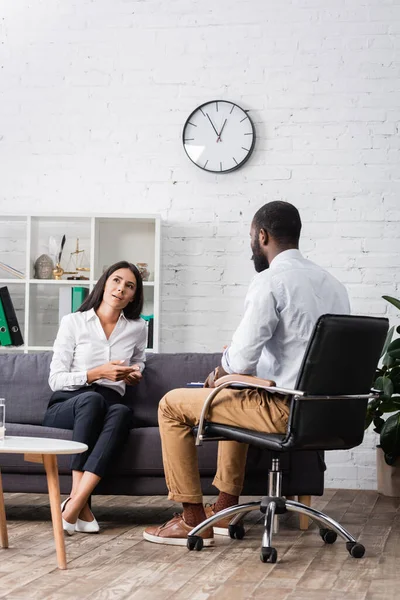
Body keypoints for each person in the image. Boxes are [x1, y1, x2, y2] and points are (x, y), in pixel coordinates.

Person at [143, 201, 350, 547]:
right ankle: (225, 510)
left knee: (171, 404)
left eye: (251, 238)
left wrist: (221, 370)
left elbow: (239, 361)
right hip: (328, 413)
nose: (251, 245)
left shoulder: (271, 282)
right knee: (235, 394)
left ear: (262, 236)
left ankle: (192, 521)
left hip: (285, 411)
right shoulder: (334, 285)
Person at [43, 260, 147, 534]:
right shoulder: (74, 322)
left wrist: (135, 372)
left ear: (134, 295)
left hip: (110, 402)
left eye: (129, 286)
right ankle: (80, 504)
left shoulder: (137, 328)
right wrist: (94, 374)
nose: (120, 289)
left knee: (124, 413)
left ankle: (74, 504)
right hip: (69, 402)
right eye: (116, 280)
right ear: (104, 283)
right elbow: (55, 380)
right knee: (92, 399)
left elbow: (139, 361)